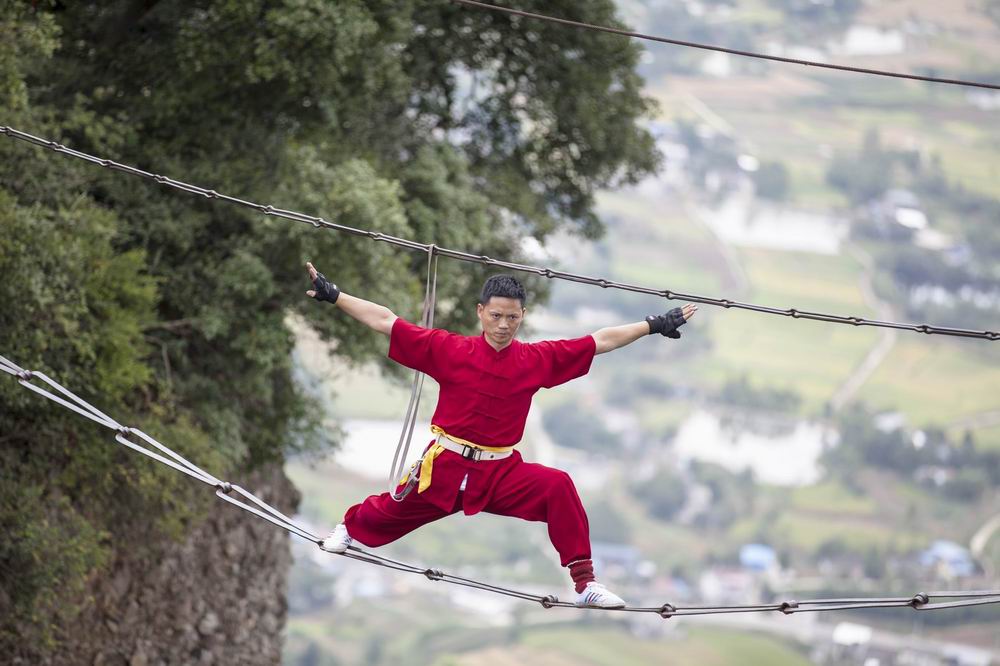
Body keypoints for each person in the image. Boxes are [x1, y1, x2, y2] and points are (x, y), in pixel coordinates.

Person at [305, 261, 696, 608]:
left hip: (499, 472)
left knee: (557, 486)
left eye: (512, 317)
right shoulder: (449, 349)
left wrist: (654, 325)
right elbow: (386, 321)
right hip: (444, 466)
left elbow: (599, 341)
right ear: (481, 313)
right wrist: (335, 295)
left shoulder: (535, 360)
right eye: (496, 316)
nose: (503, 325)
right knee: (386, 513)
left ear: (522, 316)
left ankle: (585, 584)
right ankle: (348, 529)